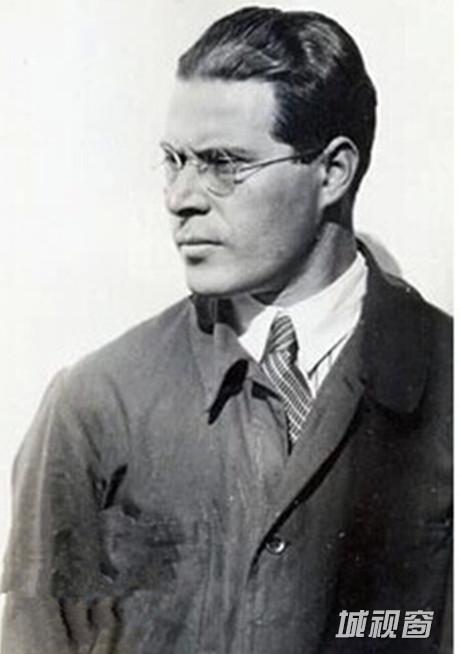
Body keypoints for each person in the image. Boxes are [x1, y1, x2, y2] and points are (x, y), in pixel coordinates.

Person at [1, 6, 452, 654]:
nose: (180, 197)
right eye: (174, 160)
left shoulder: (446, 379)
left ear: (332, 172)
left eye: (222, 163)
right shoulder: (96, 403)